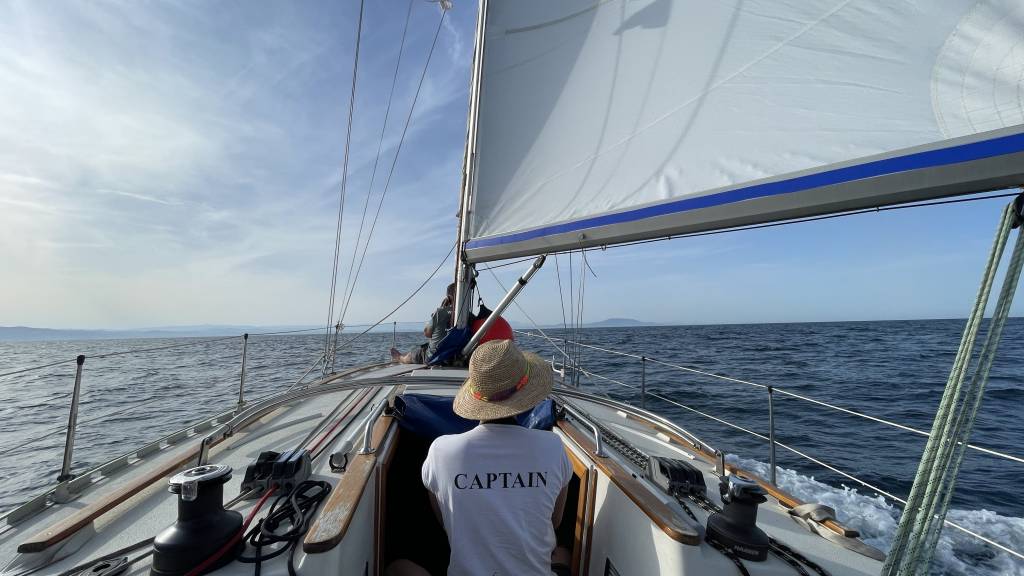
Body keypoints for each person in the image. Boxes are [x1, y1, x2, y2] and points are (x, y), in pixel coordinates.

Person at [417, 340, 572, 576]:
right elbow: (555, 521)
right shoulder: (552, 447)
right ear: (526, 391)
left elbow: (447, 524)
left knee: (399, 567)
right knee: (562, 553)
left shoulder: (441, 451)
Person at [391, 283, 455, 364]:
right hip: (455, 355)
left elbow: (427, 333)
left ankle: (400, 358)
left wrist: (441, 309)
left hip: (434, 356)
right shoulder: (468, 316)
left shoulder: (440, 312)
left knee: (414, 354)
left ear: (448, 297)